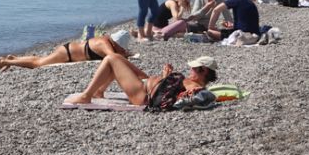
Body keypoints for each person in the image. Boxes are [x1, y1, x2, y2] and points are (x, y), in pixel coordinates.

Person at [64, 55, 217, 107]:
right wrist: (165, 76)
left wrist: (165, 78)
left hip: (142, 95)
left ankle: (86, 96)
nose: (190, 71)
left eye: (194, 69)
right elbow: (170, 91)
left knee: (111, 59)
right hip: (147, 87)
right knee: (118, 59)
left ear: (203, 71)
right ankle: (99, 91)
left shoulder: (195, 86)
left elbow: (200, 95)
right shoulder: (192, 84)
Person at [0, 34, 131, 74]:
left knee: (40, 59)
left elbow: (115, 54)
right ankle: (5, 62)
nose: (122, 51)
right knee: (37, 65)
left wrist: (125, 54)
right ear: (116, 44)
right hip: (67, 54)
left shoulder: (105, 39)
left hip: (68, 51)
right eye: (122, 48)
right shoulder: (104, 44)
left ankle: (14, 59)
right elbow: (113, 58)